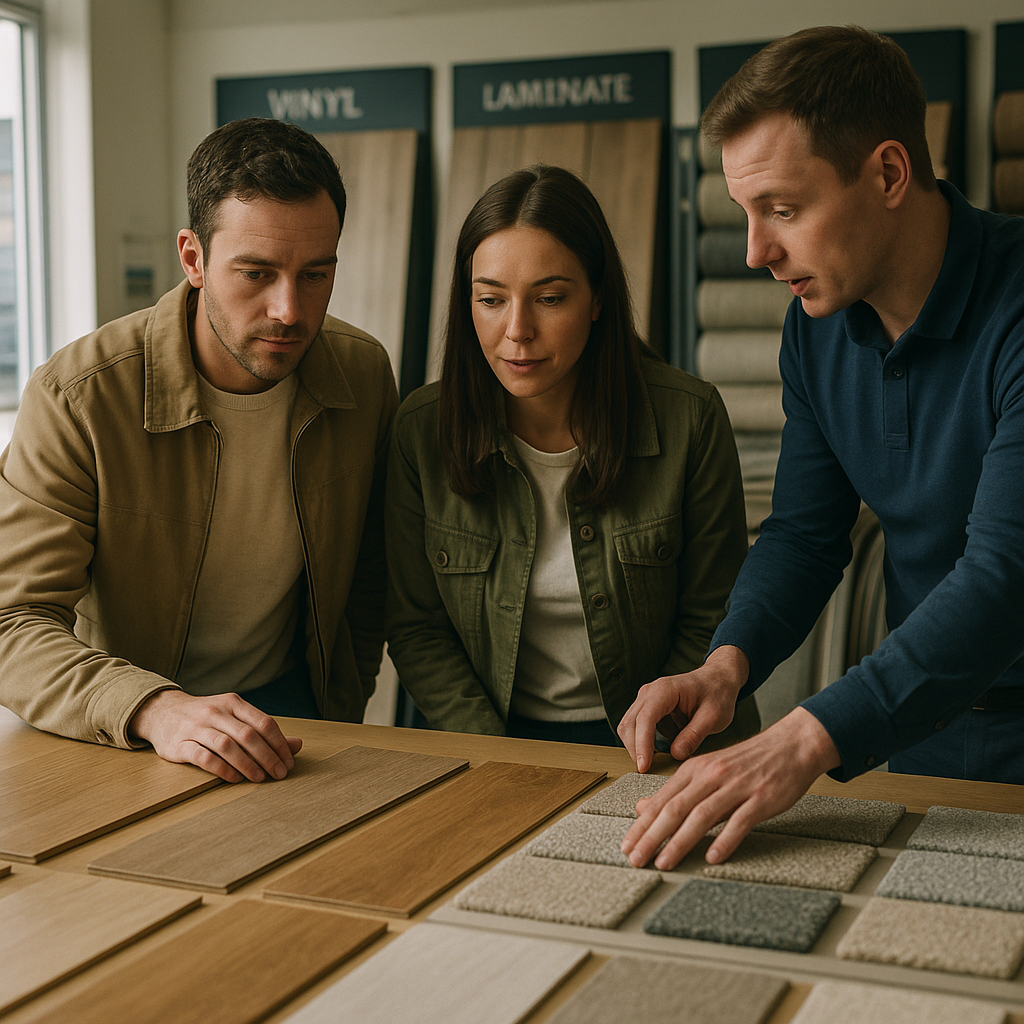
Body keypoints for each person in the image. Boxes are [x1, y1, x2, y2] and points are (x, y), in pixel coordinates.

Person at [619, 25, 1024, 871]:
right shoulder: (817, 330)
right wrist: (728, 666)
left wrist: (807, 738)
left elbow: (1003, 575)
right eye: (746, 213)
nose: (756, 252)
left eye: (782, 209)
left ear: (886, 173)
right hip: (924, 728)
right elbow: (804, 535)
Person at [0, 117, 398, 783]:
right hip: (124, 720)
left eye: (315, 274)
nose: (289, 310)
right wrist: (155, 708)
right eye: (256, 273)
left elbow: (368, 577)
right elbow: (12, 623)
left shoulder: (362, 375)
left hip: (293, 714)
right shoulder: (79, 395)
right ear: (192, 259)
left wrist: (342, 702)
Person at [386, 165, 759, 747]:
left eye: (550, 298)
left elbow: (713, 617)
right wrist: (495, 754)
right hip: (496, 741)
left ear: (597, 298)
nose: (518, 330)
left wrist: (650, 741)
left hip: (667, 742)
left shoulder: (690, 418)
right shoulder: (421, 432)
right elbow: (417, 629)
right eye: (490, 300)